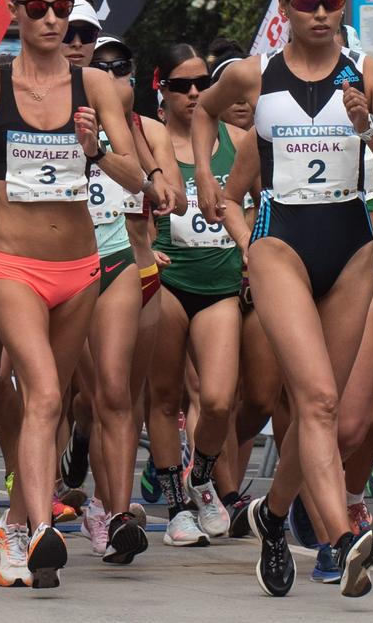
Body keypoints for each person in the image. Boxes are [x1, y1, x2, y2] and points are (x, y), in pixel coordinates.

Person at [193, 0, 373, 598]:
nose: (321, 12)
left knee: (330, 413)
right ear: (285, 7)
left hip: (350, 248)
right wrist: (213, 187)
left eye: (332, 1)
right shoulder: (252, 74)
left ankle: (270, 514)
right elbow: (204, 113)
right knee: (316, 399)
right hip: (279, 245)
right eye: (307, 2)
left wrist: (367, 127)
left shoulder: (369, 74)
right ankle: (341, 539)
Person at [0, 0, 140, 590]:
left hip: (80, 268)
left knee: (58, 401)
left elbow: (136, 180)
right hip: (12, 264)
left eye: (62, 7)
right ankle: (45, 529)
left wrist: (97, 148)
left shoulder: (97, 86)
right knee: (43, 393)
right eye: (38, 9)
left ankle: (15, 528)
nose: (52, 19)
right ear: (15, 14)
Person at [148, 43, 247, 552]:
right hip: (165, 283)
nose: (192, 93)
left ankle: (202, 476)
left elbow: (254, 202)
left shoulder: (235, 138)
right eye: (179, 85)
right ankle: (176, 506)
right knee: (165, 398)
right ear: (159, 89)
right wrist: (145, 247)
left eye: (200, 83)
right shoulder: (149, 139)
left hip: (221, 286)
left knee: (218, 399)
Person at [79, 31, 172, 560]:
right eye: (101, 67)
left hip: (139, 271)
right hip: (79, 271)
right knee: (99, 397)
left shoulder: (146, 129)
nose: (113, 76)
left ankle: (111, 504)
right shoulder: (58, 115)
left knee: (124, 400)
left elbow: (166, 195)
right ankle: (104, 506)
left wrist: (163, 188)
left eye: (121, 66)